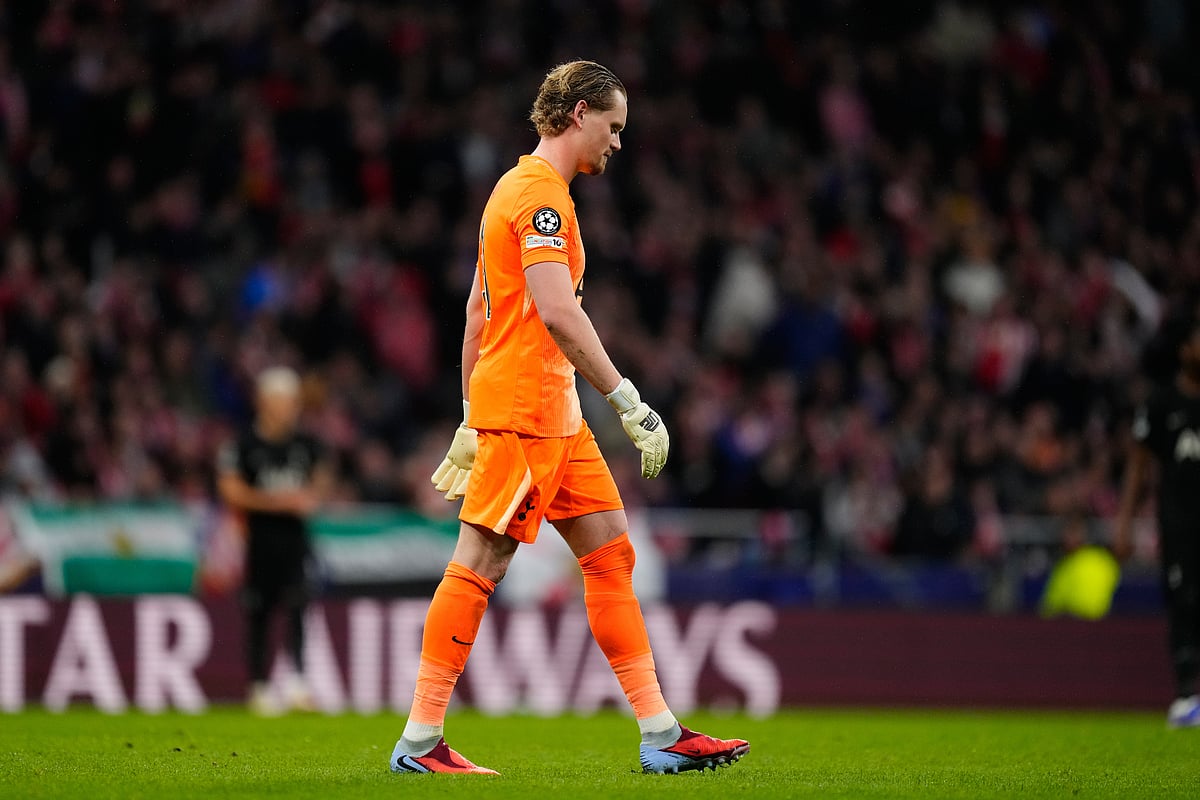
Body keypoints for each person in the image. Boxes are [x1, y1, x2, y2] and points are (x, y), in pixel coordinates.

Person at [389, 60, 750, 775]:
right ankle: (420, 742)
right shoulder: (538, 197)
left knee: (611, 550)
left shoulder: (519, 191)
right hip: (528, 410)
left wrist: (467, 413)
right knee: (481, 562)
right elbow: (557, 310)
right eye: (613, 127)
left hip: (553, 413)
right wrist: (627, 398)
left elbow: (476, 312)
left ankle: (660, 733)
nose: (618, 143)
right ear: (579, 113)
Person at [217, 366, 332, 715]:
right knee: (259, 612)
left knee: (298, 608)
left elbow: (322, 483)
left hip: (296, 541)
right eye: (281, 401)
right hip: (258, 541)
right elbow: (230, 490)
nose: (288, 408)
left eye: (292, 401)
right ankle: (259, 686)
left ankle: (297, 683)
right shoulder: (242, 444)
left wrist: (311, 496)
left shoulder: (307, 444)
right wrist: (280, 502)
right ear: (263, 402)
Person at [1114, 319, 1200, 728]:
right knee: (1183, 603)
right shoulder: (1163, 402)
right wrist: (1125, 523)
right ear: (1184, 350)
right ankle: (1186, 696)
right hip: (1180, 523)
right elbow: (1138, 465)